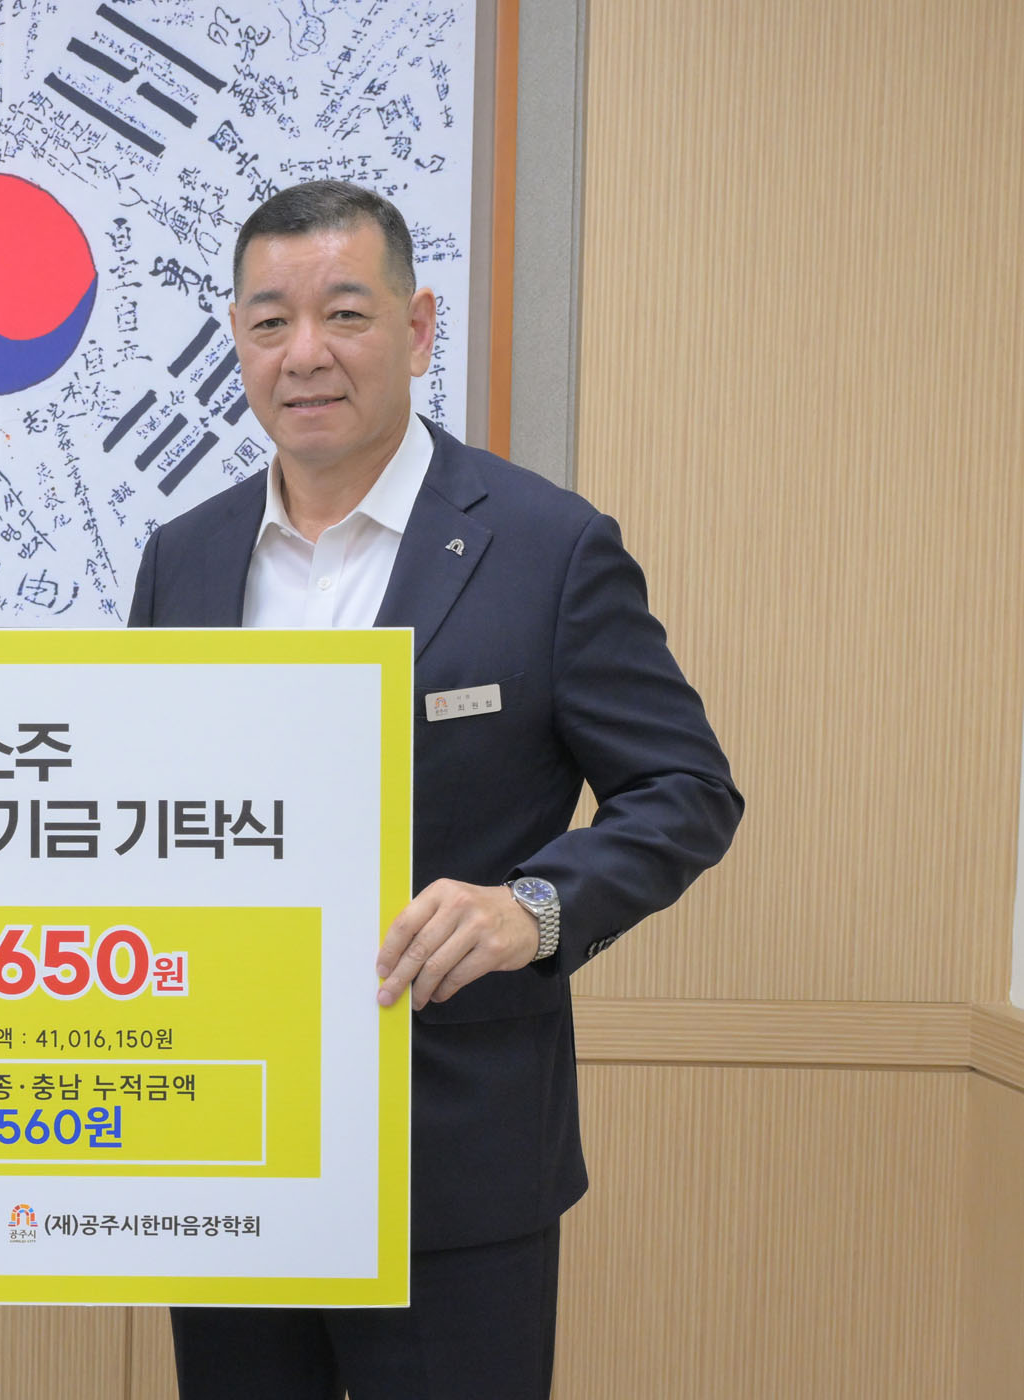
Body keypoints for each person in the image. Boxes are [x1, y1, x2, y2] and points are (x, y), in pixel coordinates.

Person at [128, 181, 741, 1398]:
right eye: (270, 322)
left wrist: (534, 907)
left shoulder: (548, 545)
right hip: (232, 1145)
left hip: (455, 1157)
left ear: (417, 329)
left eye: (345, 313)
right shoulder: (183, 556)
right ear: (237, 341)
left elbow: (685, 785)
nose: (306, 353)